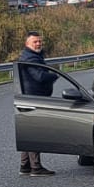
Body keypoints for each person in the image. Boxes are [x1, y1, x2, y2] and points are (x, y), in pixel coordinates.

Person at [16, 31, 56, 176]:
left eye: (39, 41)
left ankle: (25, 166)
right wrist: (53, 75)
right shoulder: (31, 58)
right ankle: (36, 168)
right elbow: (39, 77)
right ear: (27, 44)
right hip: (33, 99)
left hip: (28, 98)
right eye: (35, 42)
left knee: (28, 132)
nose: (38, 44)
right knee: (34, 133)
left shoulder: (32, 56)